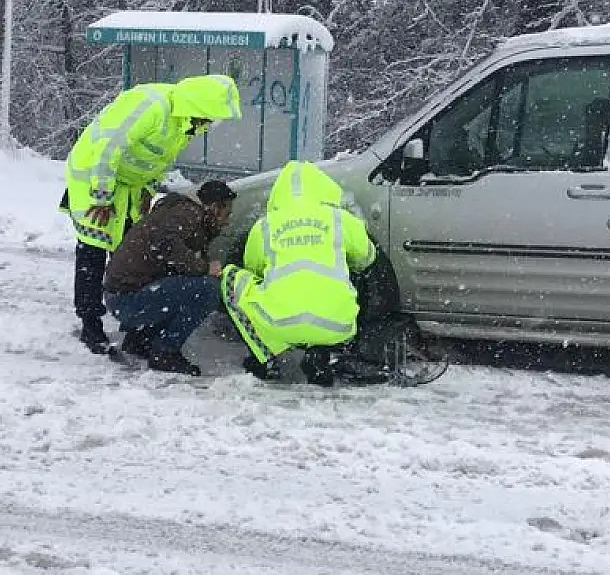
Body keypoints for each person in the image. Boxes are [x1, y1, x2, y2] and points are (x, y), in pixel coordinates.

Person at [62, 74, 241, 352]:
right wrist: (102, 197)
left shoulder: (183, 125)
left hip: (128, 185)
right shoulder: (153, 107)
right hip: (95, 178)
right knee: (93, 250)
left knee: (130, 248)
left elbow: (156, 160)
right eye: (208, 119)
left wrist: (147, 188)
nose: (208, 126)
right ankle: (90, 322)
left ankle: (133, 322)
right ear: (198, 107)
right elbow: (108, 149)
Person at [220, 160, 377, 386]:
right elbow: (367, 258)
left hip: (279, 322)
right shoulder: (341, 219)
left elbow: (252, 267)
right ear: (324, 188)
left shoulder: (265, 225)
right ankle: (327, 352)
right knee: (354, 272)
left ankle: (265, 357)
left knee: (231, 278)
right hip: (338, 326)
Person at [101, 180, 238, 376]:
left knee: (186, 284)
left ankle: (139, 339)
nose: (227, 222)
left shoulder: (178, 213)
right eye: (227, 214)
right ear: (214, 208)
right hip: (127, 301)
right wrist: (205, 267)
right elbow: (167, 245)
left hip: (121, 297)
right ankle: (165, 352)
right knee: (208, 289)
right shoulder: (189, 215)